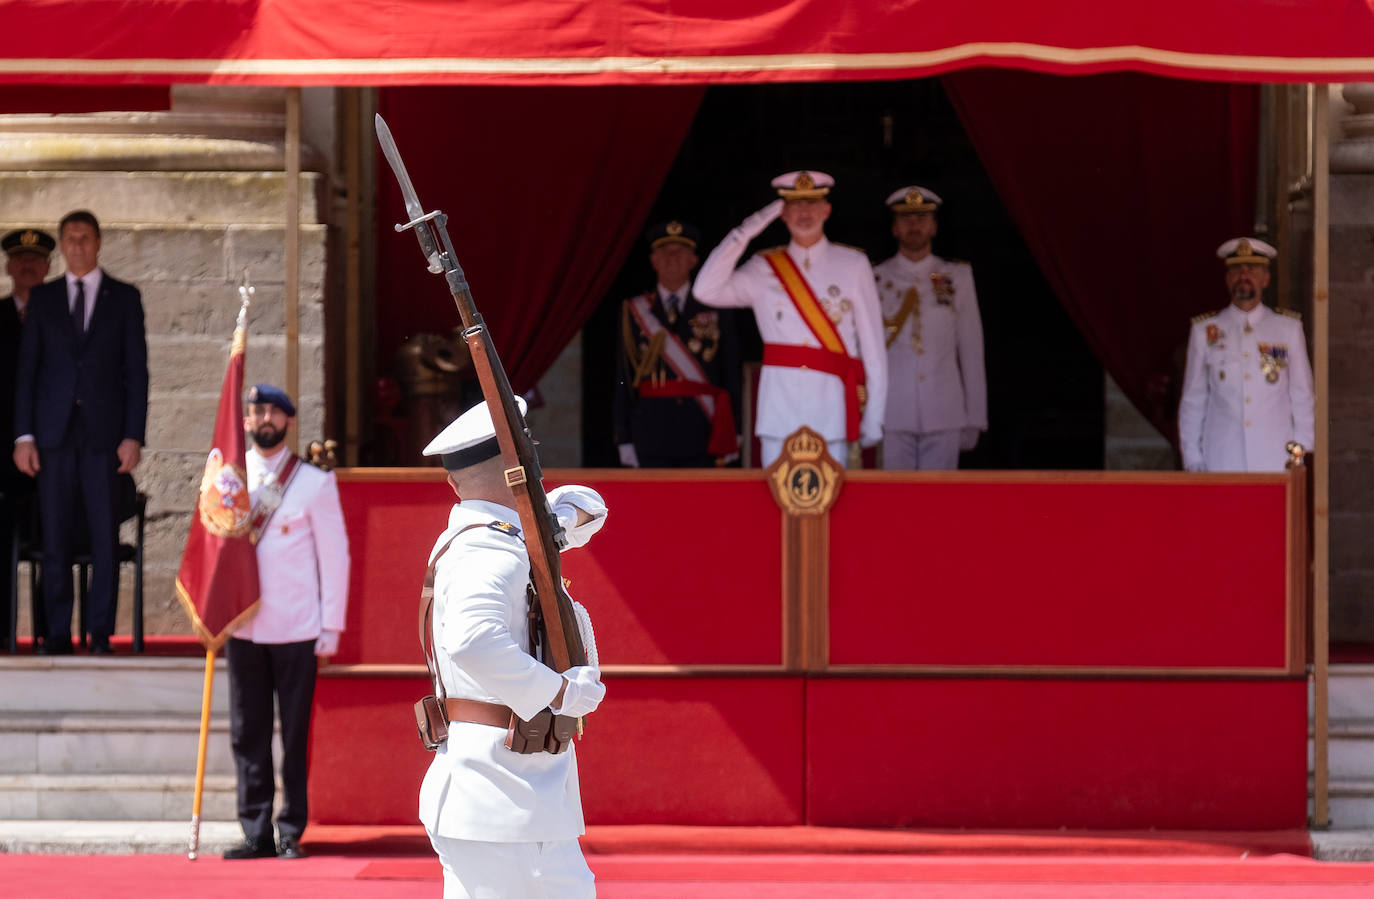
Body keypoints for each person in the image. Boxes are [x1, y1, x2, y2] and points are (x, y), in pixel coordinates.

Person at [419, 395, 608, 898]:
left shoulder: (491, 535)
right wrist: (560, 693)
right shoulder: (490, 548)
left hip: (499, 793)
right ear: (519, 469)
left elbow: (591, 507)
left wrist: (548, 520)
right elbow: (473, 641)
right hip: (505, 799)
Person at [222, 384, 351, 860]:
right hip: (245, 625)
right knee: (246, 731)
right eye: (256, 412)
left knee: (293, 732)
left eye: (273, 411)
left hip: (298, 625)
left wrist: (331, 625)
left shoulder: (314, 482)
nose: (264, 418)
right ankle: (255, 829)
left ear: (289, 421)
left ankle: (291, 828)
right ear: (247, 421)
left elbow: (335, 558)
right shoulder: (229, 480)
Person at [13, 211, 147, 655]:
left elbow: (137, 375)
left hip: (103, 440)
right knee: (55, 538)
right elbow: (27, 373)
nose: (77, 247)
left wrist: (133, 436)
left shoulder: (123, 298)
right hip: (52, 438)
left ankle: (100, 633)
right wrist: (24, 437)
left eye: (85, 239)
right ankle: (56, 634)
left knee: (103, 538)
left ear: (98, 242)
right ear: (62, 245)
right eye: (69, 240)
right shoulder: (45, 299)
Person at [694, 170, 887, 467]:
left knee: (833, 506)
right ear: (782, 214)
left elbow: (873, 348)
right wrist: (747, 230)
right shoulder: (763, 267)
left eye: (812, 203)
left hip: (832, 408)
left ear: (827, 210)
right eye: (795, 204)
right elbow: (705, 290)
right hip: (780, 410)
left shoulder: (853, 264)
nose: (805, 212)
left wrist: (873, 417)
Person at [1178, 238, 1315, 472]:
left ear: (1265, 279)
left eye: (1252, 269)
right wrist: (1193, 457)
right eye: (1236, 270)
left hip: (1276, 459)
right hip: (1221, 459)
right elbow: (1194, 399)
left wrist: (1301, 453)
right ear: (1227, 279)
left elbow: (1302, 396)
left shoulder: (1287, 329)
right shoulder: (1205, 331)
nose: (1244, 275)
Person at [874, 186, 987, 470]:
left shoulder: (956, 277)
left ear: (934, 227)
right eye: (906, 219)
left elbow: (971, 349)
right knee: (894, 501)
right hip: (892, 411)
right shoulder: (874, 277)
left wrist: (975, 416)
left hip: (944, 410)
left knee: (939, 503)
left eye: (922, 219)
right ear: (894, 228)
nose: (915, 225)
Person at [614, 220, 741, 467]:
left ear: (693, 260)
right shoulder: (635, 310)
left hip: (703, 428)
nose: (672, 257)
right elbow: (625, 377)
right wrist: (623, 435)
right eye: (664, 251)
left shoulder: (716, 306)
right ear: (653, 260)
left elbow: (730, 371)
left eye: (680, 251)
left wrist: (735, 430)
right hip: (650, 430)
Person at [0, 229, 53, 650]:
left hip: (51, 457)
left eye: (35, 259)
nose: (27, 266)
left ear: (49, 267)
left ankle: (47, 635)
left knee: (51, 548)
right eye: (19, 259)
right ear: (8, 266)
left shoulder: (63, 319)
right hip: (2, 460)